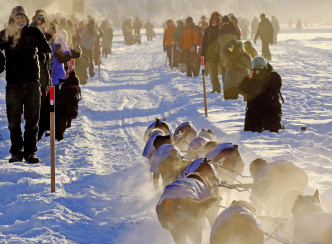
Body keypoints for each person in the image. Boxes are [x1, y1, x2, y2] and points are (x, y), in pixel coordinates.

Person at [0, 6, 52, 163]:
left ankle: (30, 152)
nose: (20, 20)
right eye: (17, 17)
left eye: (23, 17)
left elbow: (46, 49)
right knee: (13, 120)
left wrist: (45, 56)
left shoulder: (34, 32)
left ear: (27, 19)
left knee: (32, 119)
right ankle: (16, 152)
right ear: (12, 19)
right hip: (13, 83)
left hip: (31, 81)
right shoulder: (5, 34)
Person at [240, 56, 284, 133]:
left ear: (265, 66)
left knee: (272, 130)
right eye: (257, 68)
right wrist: (249, 78)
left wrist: (265, 78)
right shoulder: (251, 78)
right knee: (249, 131)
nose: (259, 70)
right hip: (254, 110)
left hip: (271, 109)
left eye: (261, 67)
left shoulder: (273, 76)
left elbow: (276, 86)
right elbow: (243, 88)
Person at [201, 11, 221, 93]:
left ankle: (218, 90)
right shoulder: (208, 29)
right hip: (210, 56)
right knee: (213, 75)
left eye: (215, 19)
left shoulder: (220, 29)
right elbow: (204, 42)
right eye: (212, 19)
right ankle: (216, 90)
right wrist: (203, 55)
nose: (213, 21)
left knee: (216, 75)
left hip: (219, 55)